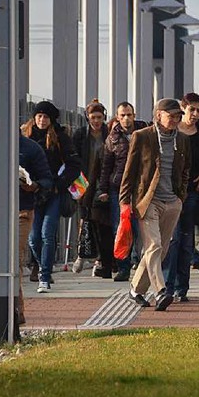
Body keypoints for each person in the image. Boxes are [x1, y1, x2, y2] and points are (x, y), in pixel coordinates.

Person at [120, 99, 192, 311]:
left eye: (178, 116)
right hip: (148, 201)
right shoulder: (142, 137)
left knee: (161, 249)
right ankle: (161, 291)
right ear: (158, 115)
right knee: (154, 246)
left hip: (172, 201)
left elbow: (186, 168)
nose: (175, 120)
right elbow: (129, 170)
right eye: (171, 116)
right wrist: (125, 201)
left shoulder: (183, 140)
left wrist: (181, 196)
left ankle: (135, 290)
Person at [162, 93, 199, 302]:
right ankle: (167, 286)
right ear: (183, 109)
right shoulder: (172, 131)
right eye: (191, 109)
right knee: (172, 239)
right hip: (171, 191)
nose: (195, 114)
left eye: (198, 110)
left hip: (194, 191)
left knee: (186, 240)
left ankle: (181, 288)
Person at [22, 101, 81, 293]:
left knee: (48, 234)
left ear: (52, 119)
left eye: (46, 117)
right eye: (38, 116)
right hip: (32, 192)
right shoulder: (26, 136)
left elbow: (74, 164)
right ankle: (40, 266)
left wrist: (59, 184)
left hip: (54, 192)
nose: (41, 120)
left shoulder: (61, 138)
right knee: (33, 238)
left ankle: (45, 276)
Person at [97, 101, 147, 281]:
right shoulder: (112, 139)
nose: (126, 118)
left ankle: (140, 262)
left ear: (134, 115)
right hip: (119, 188)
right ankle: (123, 266)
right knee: (122, 228)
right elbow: (106, 166)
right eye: (122, 115)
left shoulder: (145, 132)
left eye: (129, 114)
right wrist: (103, 189)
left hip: (142, 187)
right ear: (117, 117)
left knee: (142, 227)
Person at [72, 100, 113, 279]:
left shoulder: (109, 134)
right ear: (87, 117)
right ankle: (82, 253)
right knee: (84, 219)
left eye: (99, 117)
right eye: (93, 117)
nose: (96, 121)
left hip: (102, 183)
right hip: (82, 180)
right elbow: (73, 158)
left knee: (102, 222)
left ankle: (100, 259)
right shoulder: (81, 135)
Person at [18, 135, 53, 322]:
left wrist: (34, 186)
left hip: (21, 211)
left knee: (14, 260)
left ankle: (16, 312)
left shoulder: (30, 148)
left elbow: (47, 178)